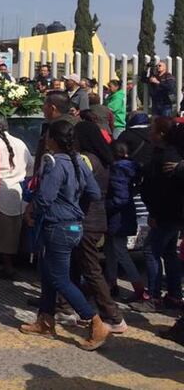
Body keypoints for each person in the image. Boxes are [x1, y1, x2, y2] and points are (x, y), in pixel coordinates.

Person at [20, 119, 110, 350]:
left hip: (57, 225)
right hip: (74, 224)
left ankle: (95, 321)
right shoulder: (80, 161)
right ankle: (45, 319)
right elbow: (94, 192)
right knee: (50, 274)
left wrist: (34, 206)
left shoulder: (54, 163)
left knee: (60, 278)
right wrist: (72, 198)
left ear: (52, 139)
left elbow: (45, 197)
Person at [72, 121, 126, 332]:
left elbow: (78, 190)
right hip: (96, 220)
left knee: (91, 268)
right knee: (78, 265)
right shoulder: (103, 160)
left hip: (85, 222)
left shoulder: (85, 159)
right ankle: (71, 306)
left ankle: (113, 316)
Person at [134, 117, 184, 314]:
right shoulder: (170, 154)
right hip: (173, 213)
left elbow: (162, 190)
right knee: (169, 252)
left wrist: (155, 213)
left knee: (151, 251)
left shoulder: (167, 156)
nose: (149, 133)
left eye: (152, 129)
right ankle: (174, 294)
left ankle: (153, 296)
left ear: (161, 133)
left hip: (166, 213)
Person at [0, 117, 33, 279]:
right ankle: (7, 266)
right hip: (17, 193)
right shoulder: (20, 142)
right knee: (9, 235)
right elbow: (30, 167)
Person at [103, 140, 145, 301]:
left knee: (120, 251)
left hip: (117, 217)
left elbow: (120, 198)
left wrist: (104, 206)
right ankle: (111, 283)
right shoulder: (131, 167)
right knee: (110, 250)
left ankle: (139, 288)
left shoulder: (117, 169)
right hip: (124, 215)